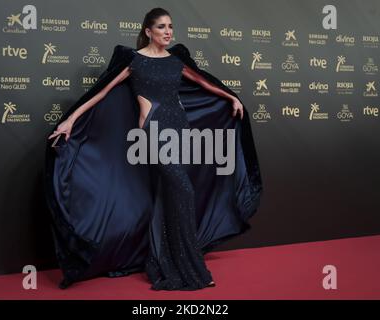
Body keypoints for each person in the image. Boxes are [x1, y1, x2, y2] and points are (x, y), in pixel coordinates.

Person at [44, 7, 263, 291]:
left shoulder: (176, 61)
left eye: (170, 26)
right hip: (152, 133)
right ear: (148, 31)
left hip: (180, 129)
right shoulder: (133, 61)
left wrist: (232, 99)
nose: (168, 32)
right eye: (161, 27)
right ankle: (192, 266)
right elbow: (101, 92)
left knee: (167, 197)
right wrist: (71, 120)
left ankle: (161, 261)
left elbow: (203, 81)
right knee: (184, 191)